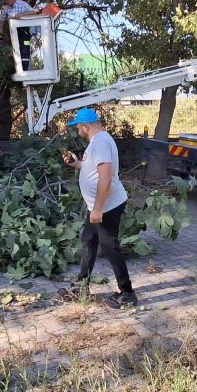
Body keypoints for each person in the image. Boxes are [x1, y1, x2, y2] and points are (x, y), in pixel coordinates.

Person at [58, 108, 137, 309]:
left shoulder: (100, 142)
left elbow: (106, 177)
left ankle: (127, 293)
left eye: (78, 128)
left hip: (107, 206)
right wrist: (77, 164)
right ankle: (82, 285)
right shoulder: (98, 141)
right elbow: (93, 169)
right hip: (100, 205)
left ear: (86, 126)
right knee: (88, 240)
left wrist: (98, 210)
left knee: (109, 246)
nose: (77, 131)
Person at [0, 0, 36, 71]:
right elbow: (1, 19)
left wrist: (21, 14)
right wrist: (0, 31)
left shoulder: (22, 4)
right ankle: (17, 69)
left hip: (25, 31)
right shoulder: (6, 8)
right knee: (15, 51)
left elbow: (34, 12)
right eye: (5, 0)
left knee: (25, 48)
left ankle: (25, 70)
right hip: (13, 32)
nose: (6, 1)